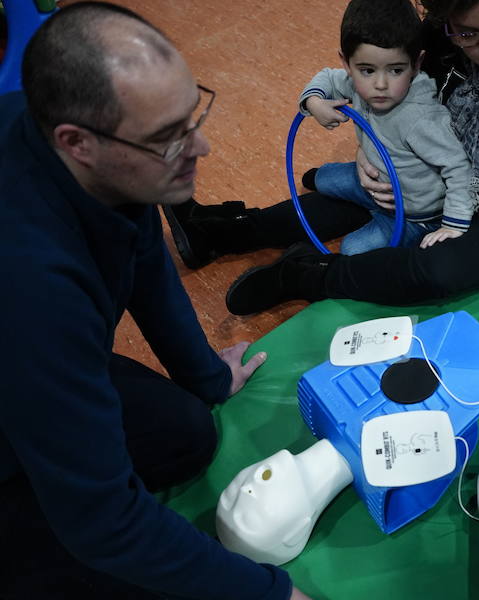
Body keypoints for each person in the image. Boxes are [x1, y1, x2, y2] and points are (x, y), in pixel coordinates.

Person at [0, 3, 310, 599]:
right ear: (77, 142)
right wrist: (274, 595)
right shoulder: (34, 287)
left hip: (36, 362)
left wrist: (207, 377)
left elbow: (142, 258)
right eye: (168, 140)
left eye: (190, 118)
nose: (203, 148)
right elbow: (107, 527)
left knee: (188, 433)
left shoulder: (74, 146)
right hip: (21, 356)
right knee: (122, 563)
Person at [164, 0, 479, 343]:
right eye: (467, 34)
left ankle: (307, 275)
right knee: (354, 196)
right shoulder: (442, 30)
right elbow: (380, 81)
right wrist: (370, 151)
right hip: (432, 167)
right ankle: (224, 232)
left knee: (436, 271)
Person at [297, 0, 473, 256]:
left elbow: (459, 166)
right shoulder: (356, 82)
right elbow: (326, 77)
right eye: (367, 70)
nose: (380, 84)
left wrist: (452, 224)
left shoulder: (421, 119)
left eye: (396, 70)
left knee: (352, 249)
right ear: (347, 63)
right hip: (377, 181)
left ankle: (386, 220)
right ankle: (344, 191)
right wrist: (314, 102)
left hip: (416, 213)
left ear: (416, 63)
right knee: (324, 178)